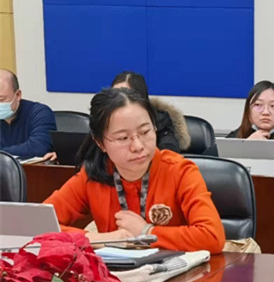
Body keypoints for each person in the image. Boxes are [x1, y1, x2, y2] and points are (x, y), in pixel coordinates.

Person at [44, 88, 225, 253]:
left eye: (145, 132)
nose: (138, 146)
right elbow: (39, 225)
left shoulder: (180, 171)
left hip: (175, 272)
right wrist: (98, 239)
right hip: (114, 274)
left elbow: (212, 237)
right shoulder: (93, 175)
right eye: (123, 138)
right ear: (100, 143)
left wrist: (147, 232)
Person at [111, 71, 190, 153]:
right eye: (114, 95)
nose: (118, 101)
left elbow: (169, 152)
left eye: (125, 95)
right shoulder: (107, 121)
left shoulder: (160, 120)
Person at [0, 69, 57, 158]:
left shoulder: (40, 113)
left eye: (1, 99)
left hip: (32, 167)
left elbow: (39, 147)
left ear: (18, 95)